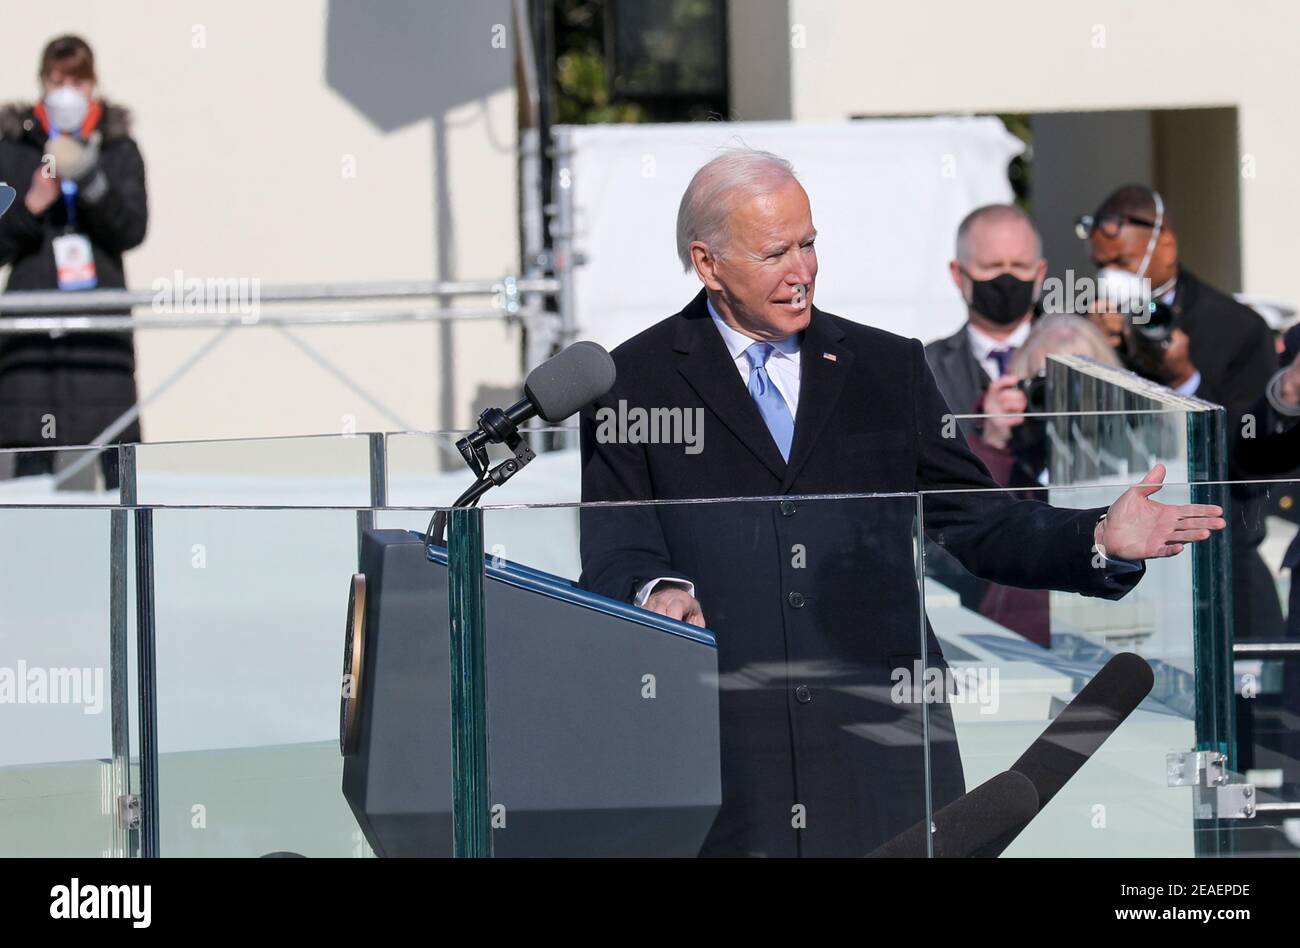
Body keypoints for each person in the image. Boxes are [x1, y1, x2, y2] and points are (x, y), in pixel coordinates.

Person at [579, 149, 1226, 857]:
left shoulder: (885, 369)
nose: (802, 272)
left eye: (809, 243)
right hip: (723, 755)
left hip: (883, 749)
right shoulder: (633, 383)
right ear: (707, 264)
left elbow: (982, 522)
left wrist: (1099, 535)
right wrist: (658, 591)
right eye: (775, 254)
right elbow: (616, 549)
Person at [1080, 184, 1282, 642]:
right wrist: (1095, 356)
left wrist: (1186, 379)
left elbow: (1253, 460)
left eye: (1122, 265)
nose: (1111, 278)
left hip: (1219, 561)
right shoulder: (1092, 321)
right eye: (1102, 267)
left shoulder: (1235, 327)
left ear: (1165, 246)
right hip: (1121, 561)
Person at [0, 35, 148, 488]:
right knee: (29, 462)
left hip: (97, 338)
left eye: (78, 81)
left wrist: (89, 180)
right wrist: (30, 206)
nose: (67, 91)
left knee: (116, 464)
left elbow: (132, 229)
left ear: (93, 84)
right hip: (31, 338)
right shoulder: (11, 149)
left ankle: (129, 555)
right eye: (57, 79)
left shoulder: (118, 148)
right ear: (42, 82)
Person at [925, 203, 1045, 433]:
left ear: (1040, 272)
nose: (1006, 279)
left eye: (1019, 266)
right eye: (992, 266)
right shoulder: (926, 370)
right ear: (958, 274)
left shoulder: (1072, 353)